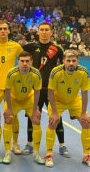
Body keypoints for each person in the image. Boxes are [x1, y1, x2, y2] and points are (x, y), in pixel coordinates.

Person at [22, 22, 67, 157]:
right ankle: (30, 144)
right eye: (41, 30)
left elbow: (64, 66)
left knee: (56, 116)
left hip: (51, 89)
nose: (44, 32)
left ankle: (62, 145)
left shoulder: (57, 48)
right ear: (38, 32)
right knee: (32, 116)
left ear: (51, 32)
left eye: (47, 30)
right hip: (35, 88)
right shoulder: (30, 47)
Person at [45, 50, 90, 168]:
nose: (71, 63)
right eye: (68, 61)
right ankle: (48, 154)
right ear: (63, 61)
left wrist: (83, 113)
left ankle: (86, 155)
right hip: (58, 101)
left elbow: (84, 93)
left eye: (74, 61)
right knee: (53, 122)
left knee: (86, 122)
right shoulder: (56, 72)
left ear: (77, 61)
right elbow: (50, 92)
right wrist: (54, 112)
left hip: (74, 100)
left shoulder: (83, 72)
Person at [0, 20, 23, 155]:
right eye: (0, 29)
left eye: (5, 29)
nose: (2, 31)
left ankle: (15, 143)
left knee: (13, 116)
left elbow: (25, 61)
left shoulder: (16, 46)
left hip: (11, 87)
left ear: (8, 31)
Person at [3, 51, 44, 164]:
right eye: (22, 61)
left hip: (28, 99)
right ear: (18, 62)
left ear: (31, 62)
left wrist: (35, 109)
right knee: (8, 119)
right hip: (13, 100)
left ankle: (36, 153)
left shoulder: (36, 74)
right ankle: (7, 152)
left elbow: (37, 92)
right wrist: (9, 109)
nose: (25, 63)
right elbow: (7, 91)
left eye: (27, 61)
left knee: (36, 120)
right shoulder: (12, 73)